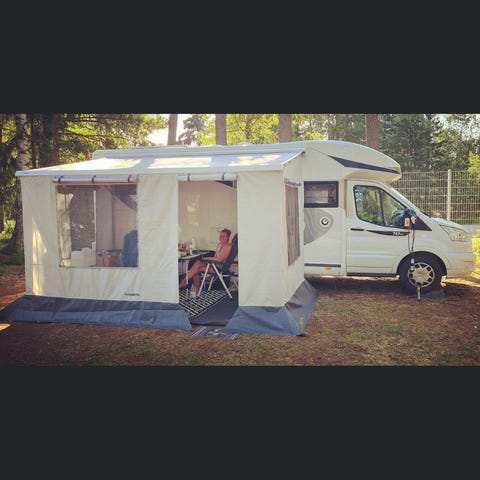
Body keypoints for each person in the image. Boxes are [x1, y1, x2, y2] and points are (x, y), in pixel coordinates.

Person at [179, 228, 232, 295]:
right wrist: (206, 259)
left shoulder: (228, 246)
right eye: (220, 236)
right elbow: (215, 257)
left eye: (223, 236)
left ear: (228, 237)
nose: (221, 238)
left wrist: (205, 258)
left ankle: (185, 282)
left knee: (197, 264)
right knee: (196, 267)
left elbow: (219, 259)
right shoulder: (219, 244)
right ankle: (193, 286)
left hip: (219, 267)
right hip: (213, 264)